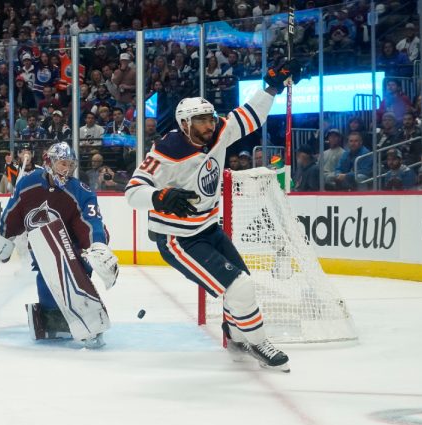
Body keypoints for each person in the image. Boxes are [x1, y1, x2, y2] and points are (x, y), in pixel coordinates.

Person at [124, 59, 305, 372]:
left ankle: (236, 338)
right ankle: (259, 342)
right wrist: (160, 196)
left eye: (210, 118)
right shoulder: (167, 150)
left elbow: (251, 116)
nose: (209, 125)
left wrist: (272, 87)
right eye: (201, 121)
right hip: (178, 239)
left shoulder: (219, 131)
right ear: (185, 124)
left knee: (242, 283)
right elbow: (132, 192)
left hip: (207, 229)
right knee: (239, 288)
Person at [0, 142, 118, 348]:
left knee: (74, 275)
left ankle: (89, 318)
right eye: (62, 164)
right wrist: (1, 237)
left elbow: (91, 223)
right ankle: (54, 320)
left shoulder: (81, 191)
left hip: (75, 247)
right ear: (48, 162)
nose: (67, 170)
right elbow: (11, 214)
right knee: (46, 284)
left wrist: (96, 245)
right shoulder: (27, 184)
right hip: (43, 248)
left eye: (70, 165)